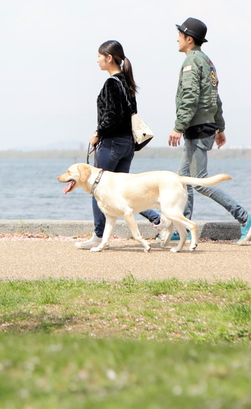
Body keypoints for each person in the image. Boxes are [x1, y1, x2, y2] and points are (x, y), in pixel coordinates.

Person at [75, 40, 173, 250]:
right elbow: (128, 115)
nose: (97, 59)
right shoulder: (127, 84)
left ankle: (99, 236)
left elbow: (112, 116)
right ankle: (159, 221)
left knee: (97, 188)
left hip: (111, 145)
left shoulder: (111, 83)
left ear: (109, 58)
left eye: (100, 56)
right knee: (124, 193)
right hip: (128, 145)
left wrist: (97, 133)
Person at [168, 18, 251, 244]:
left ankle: (245, 217)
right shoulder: (207, 61)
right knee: (182, 180)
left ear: (189, 39)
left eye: (180, 34)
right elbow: (215, 98)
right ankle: (183, 228)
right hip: (206, 127)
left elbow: (191, 97)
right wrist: (220, 127)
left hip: (197, 129)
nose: (177, 38)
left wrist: (178, 126)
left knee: (199, 182)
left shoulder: (192, 62)